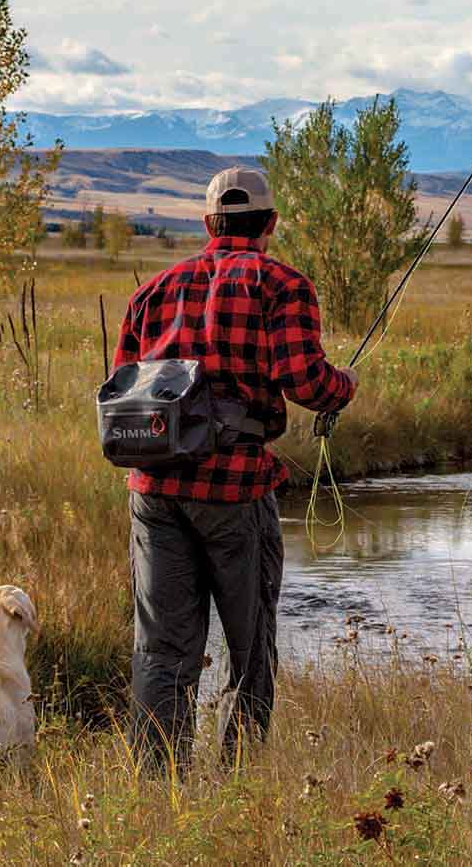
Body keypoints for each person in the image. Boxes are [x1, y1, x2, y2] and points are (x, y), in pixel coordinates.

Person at [112, 166, 356, 773]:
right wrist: (344, 387)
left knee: (162, 650)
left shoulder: (155, 290)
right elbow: (307, 382)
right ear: (269, 224)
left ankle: (158, 782)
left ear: (207, 223)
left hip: (155, 492)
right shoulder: (282, 285)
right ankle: (238, 777)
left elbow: (122, 388)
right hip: (236, 490)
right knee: (250, 647)